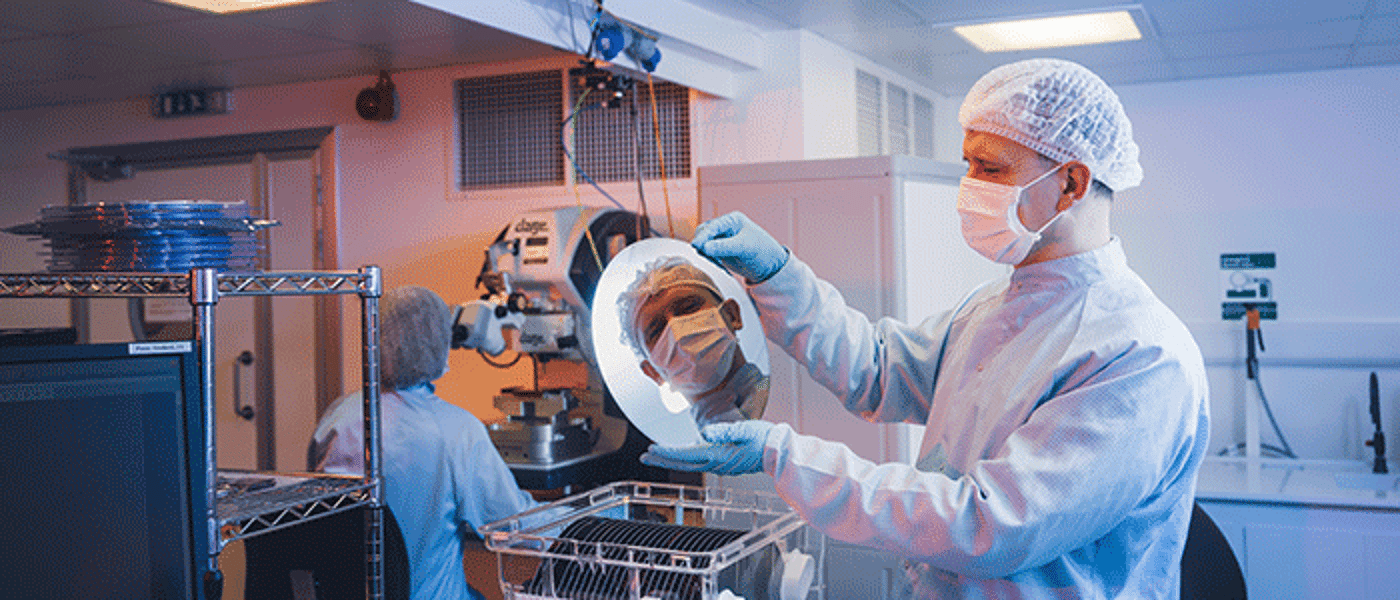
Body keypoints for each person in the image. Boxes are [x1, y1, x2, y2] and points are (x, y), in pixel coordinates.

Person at [642, 58, 1210, 598]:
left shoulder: (1139, 355)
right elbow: (878, 372)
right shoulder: (994, 307)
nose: (970, 187)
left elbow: (990, 524)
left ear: (1072, 183)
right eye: (969, 166)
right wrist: (777, 276)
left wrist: (786, 456)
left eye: (991, 168)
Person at [308, 285, 542, 600]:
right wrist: (593, 519)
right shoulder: (457, 430)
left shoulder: (337, 418)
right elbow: (514, 524)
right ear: (438, 342)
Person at [617, 255, 768, 427]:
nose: (677, 332)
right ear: (653, 372)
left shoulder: (791, 392)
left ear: (732, 315)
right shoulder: (692, 446)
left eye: (689, 308)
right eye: (657, 331)